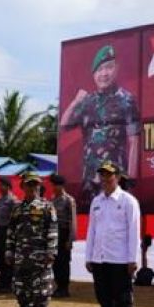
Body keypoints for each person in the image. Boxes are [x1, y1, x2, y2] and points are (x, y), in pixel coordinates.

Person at [61, 44, 142, 199]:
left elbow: (134, 141)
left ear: (116, 69)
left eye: (108, 67)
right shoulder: (87, 101)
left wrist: (130, 180)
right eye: (99, 70)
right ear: (93, 75)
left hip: (115, 179)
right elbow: (64, 125)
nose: (104, 74)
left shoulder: (126, 100)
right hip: (90, 180)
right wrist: (76, 101)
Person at [85, 160, 141, 307]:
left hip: (120, 259)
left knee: (122, 301)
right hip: (100, 259)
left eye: (109, 175)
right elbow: (92, 230)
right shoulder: (97, 201)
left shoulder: (127, 201)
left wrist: (133, 259)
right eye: (103, 175)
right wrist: (88, 256)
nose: (105, 179)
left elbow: (134, 232)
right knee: (105, 300)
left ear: (117, 177)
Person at [7, 172, 58, 307]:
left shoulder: (47, 207)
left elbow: (52, 230)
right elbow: (11, 232)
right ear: (22, 187)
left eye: (36, 185)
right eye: (29, 184)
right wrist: (9, 251)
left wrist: (51, 251)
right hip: (21, 257)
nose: (33, 188)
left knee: (40, 291)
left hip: (40, 257)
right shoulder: (17, 208)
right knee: (20, 289)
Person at [49, 173, 77, 297]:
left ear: (61, 186)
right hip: (54, 234)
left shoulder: (68, 200)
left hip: (64, 234)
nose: (53, 188)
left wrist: (70, 240)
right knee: (55, 261)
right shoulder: (52, 200)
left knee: (64, 262)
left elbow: (72, 221)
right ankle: (58, 286)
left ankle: (64, 288)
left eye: (55, 185)